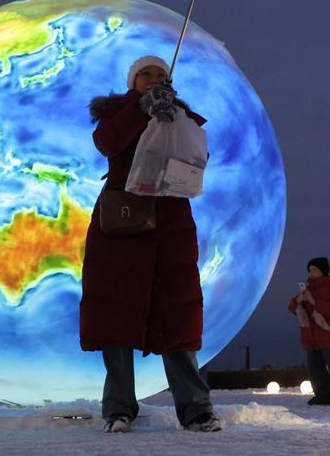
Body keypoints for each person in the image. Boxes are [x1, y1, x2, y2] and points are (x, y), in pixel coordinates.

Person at [80, 56, 220, 433]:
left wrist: (173, 118)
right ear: (133, 80)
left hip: (170, 229)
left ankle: (196, 410)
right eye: (146, 74)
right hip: (121, 225)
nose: (154, 79)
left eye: (161, 75)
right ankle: (119, 409)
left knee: (177, 319)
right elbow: (107, 143)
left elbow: (198, 158)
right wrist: (141, 111)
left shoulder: (180, 114)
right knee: (116, 319)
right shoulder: (118, 112)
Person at [288, 257, 330, 407]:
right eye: (309, 270)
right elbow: (292, 307)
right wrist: (298, 300)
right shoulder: (307, 289)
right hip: (311, 336)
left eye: (314, 269)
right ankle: (322, 396)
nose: (311, 272)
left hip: (327, 335)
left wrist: (313, 301)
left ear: (323, 271)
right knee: (315, 369)